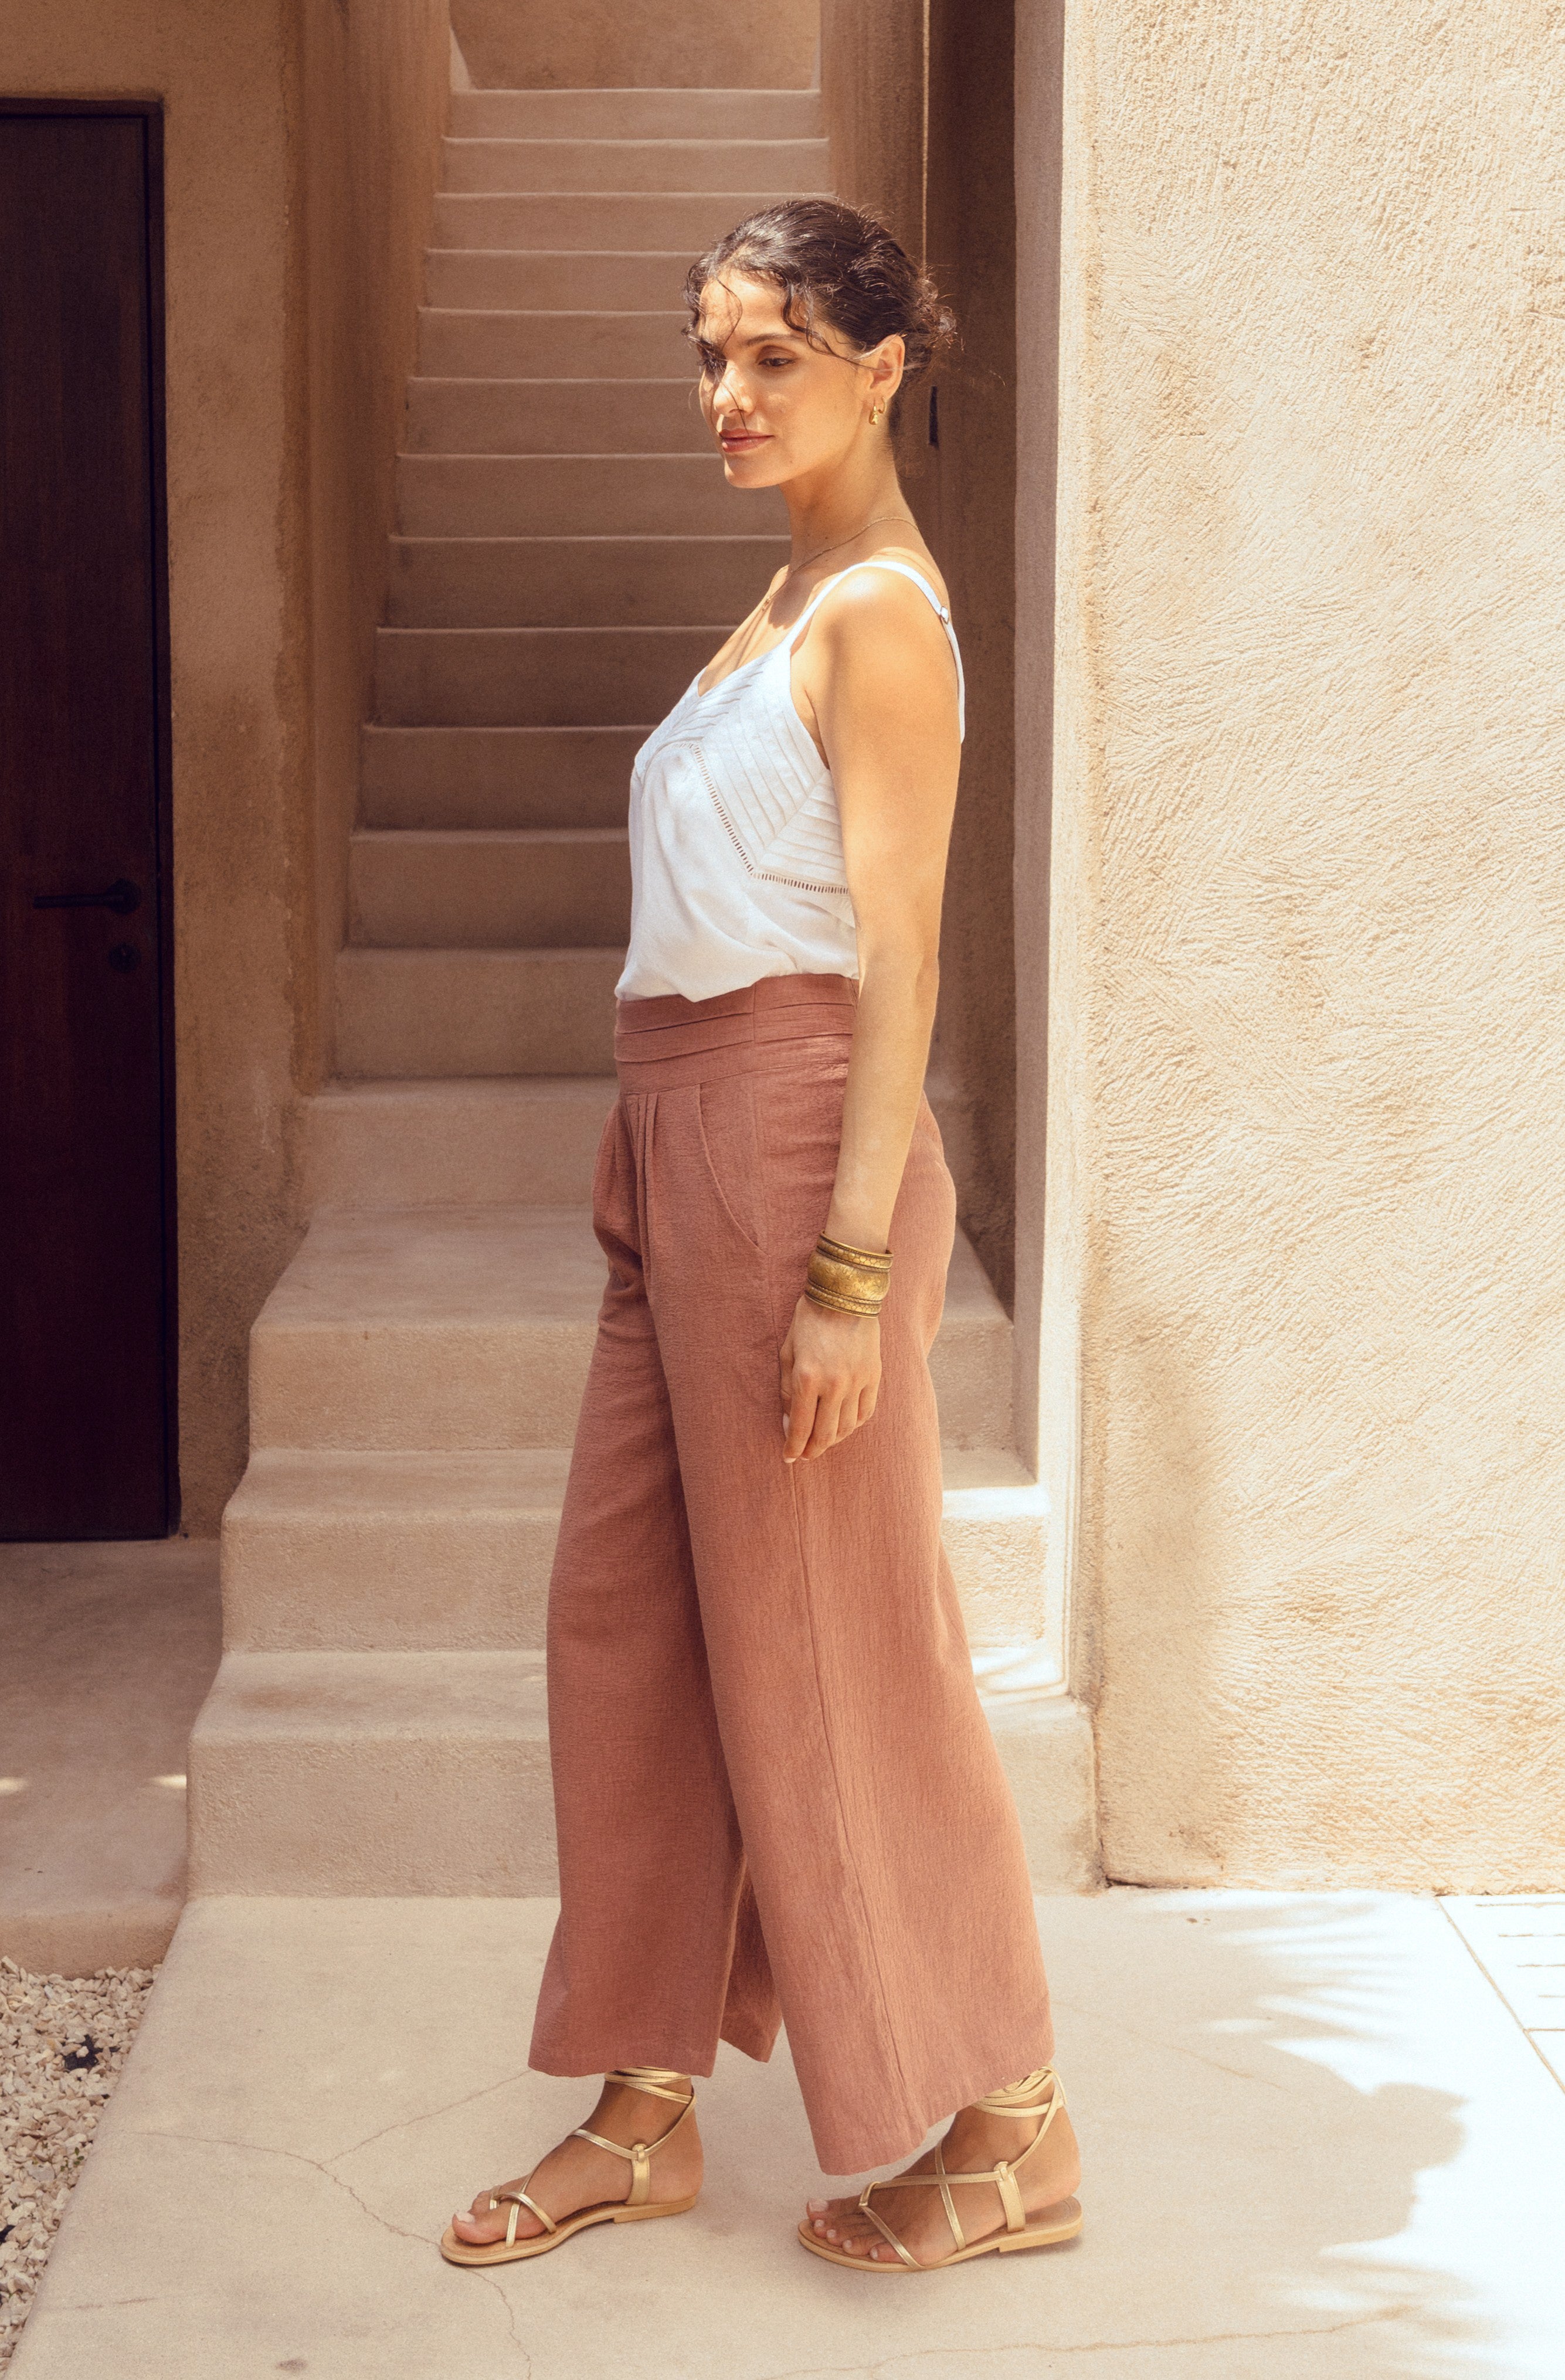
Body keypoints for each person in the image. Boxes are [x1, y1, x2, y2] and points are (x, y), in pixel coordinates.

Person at [440, 198, 1081, 2276]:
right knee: (626, 1625)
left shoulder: (877, 616)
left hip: (798, 1149)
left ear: (885, 363)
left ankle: (1010, 2123)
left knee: (837, 1655)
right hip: (678, 1141)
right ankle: (643, 2101)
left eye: (776, 355)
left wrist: (852, 1277)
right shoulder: (782, 588)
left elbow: (899, 973)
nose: (730, 394)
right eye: (712, 354)